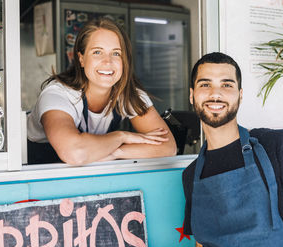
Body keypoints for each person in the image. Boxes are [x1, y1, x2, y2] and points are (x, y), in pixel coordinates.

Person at [183, 52, 283, 247]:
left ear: (240, 94)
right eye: (205, 85)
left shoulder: (278, 145)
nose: (216, 94)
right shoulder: (191, 176)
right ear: (191, 95)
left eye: (227, 85)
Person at [27, 18, 176, 165]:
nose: (108, 62)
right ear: (81, 59)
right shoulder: (57, 94)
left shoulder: (128, 95)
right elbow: (76, 153)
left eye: (116, 53)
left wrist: (116, 152)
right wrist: (121, 137)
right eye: (97, 52)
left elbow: (168, 147)